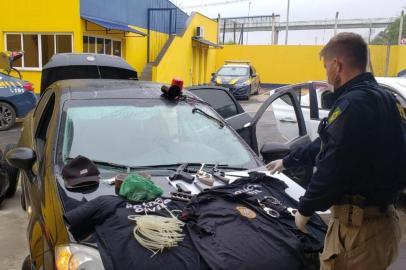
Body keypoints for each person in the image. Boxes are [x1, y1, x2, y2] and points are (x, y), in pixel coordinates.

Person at [267, 32, 405, 270]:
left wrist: (305, 209)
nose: (326, 74)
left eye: (325, 67)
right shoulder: (387, 100)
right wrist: (288, 160)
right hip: (385, 224)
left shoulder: (351, 105)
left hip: (358, 232)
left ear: (336, 65)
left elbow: (332, 165)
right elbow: (327, 143)